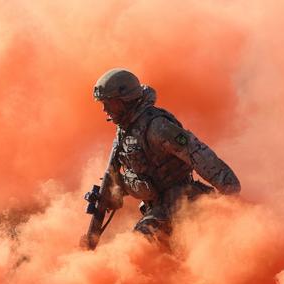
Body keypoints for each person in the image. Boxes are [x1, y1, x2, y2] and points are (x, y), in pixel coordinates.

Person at [91, 68, 240, 242]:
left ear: (125, 100)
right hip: (159, 207)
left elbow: (197, 153)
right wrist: (115, 192)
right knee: (138, 246)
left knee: (142, 246)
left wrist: (230, 196)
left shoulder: (156, 126)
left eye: (109, 102)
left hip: (184, 203)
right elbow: (142, 176)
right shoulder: (125, 131)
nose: (104, 109)